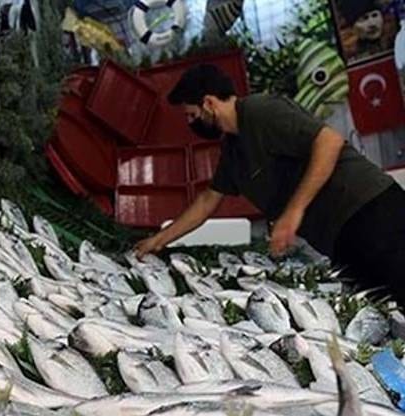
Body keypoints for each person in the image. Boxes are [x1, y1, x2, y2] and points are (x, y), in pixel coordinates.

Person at [134, 64, 405, 302]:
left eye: (192, 115)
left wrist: (293, 212)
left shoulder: (261, 111)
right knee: (388, 307)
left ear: (208, 103)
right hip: (339, 238)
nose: (191, 122)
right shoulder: (233, 150)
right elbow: (207, 201)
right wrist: (159, 240)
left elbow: (329, 141)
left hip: (370, 211)